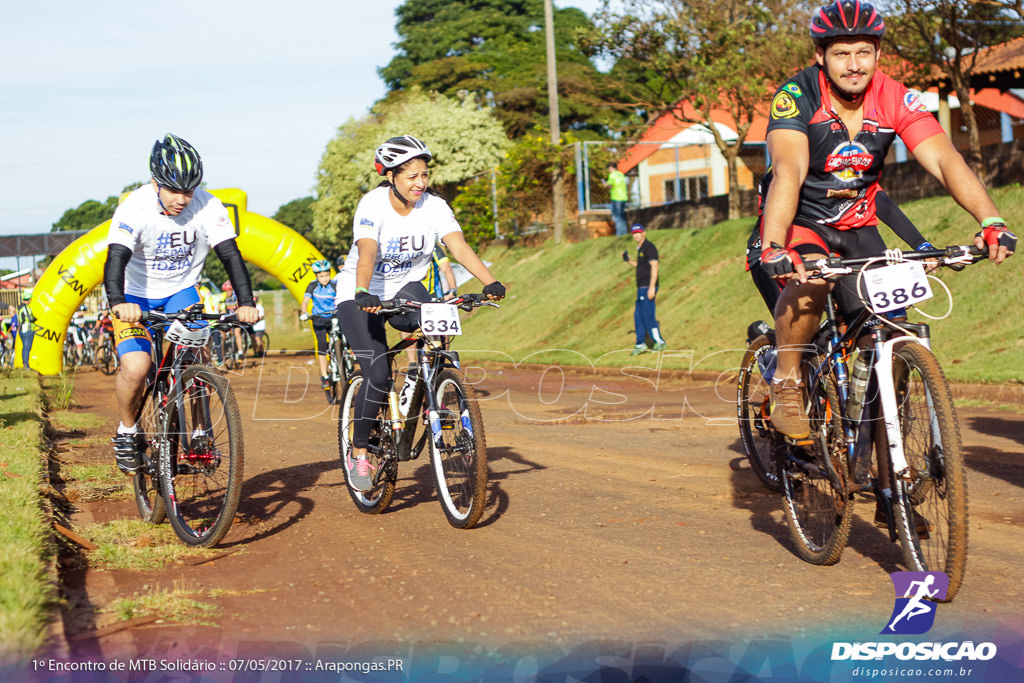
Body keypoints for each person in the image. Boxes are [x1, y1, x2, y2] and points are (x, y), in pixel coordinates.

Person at [757, 0, 1015, 441]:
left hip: (860, 228)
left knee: (890, 334)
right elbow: (789, 171)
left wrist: (990, 218)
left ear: (878, 53)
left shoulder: (895, 96)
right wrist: (774, 244)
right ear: (820, 55)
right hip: (803, 224)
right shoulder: (796, 97)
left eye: (864, 52)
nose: (854, 65)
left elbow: (944, 159)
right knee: (812, 283)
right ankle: (786, 382)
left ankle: (885, 476)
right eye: (841, 53)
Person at [336, 134, 506, 491]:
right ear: (390, 175)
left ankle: (440, 394)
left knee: (439, 334)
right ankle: (360, 450)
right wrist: (363, 291)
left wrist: (489, 281)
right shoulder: (372, 205)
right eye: (411, 175)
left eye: (424, 174)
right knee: (379, 373)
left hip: (406, 288)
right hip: (360, 291)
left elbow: (457, 244)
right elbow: (367, 252)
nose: (420, 182)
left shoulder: (435, 206)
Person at [104, 133, 259, 475]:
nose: (182, 199)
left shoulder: (208, 205)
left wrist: (246, 302)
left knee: (200, 360)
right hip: (134, 295)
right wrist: (117, 302)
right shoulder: (134, 207)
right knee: (137, 368)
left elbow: (231, 255)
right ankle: (127, 431)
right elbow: (115, 260)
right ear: (155, 182)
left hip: (181, 292)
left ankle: (201, 433)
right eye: (174, 190)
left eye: (189, 190)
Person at [622, 223, 667, 354]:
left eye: (638, 232)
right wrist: (628, 260)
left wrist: (652, 287)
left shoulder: (649, 247)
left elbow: (654, 266)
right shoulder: (640, 249)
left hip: (648, 287)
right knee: (638, 316)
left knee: (648, 315)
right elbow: (641, 267)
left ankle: (659, 342)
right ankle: (640, 343)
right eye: (634, 233)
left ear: (644, 233)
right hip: (641, 288)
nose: (636, 235)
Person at [300, 259, 336, 389]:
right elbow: (305, 301)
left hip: (334, 316)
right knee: (322, 346)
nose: (324, 279)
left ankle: (346, 359)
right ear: (316, 276)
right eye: (321, 276)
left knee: (345, 335)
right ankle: (324, 376)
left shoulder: (335, 284)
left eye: (327, 275)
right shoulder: (312, 285)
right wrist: (304, 312)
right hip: (319, 318)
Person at [606, 162, 629, 237]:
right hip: (623, 197)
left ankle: (619, 234)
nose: (608, 170)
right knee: (622, 216)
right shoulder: (621, 174)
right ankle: (624, 233)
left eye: (608, 169)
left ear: (611, 168)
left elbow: (610, 186)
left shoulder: (612, 175)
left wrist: (605, 184)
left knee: (617, 216)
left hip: (616, 197)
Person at [16, 289, 35, 370]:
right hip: (27, 329)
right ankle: (26, 365)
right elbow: (30, 318)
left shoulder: (19, 307)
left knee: (25, 347)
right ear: (29, 299)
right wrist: (35, 319)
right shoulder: (25, 307)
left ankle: (25, 364)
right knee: (27, 348)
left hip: (21, 330)